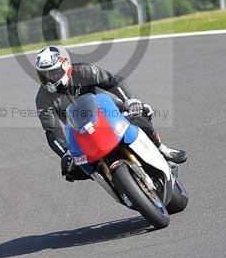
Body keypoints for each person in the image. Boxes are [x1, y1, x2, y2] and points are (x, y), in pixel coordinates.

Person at [34, 45, 187, 181]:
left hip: (108, 112)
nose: (48, 79)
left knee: (141, 112)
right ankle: (111, 181)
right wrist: (65, 153)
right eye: (44, 75)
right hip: (80, 132)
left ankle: (161, 148)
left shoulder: (84, 71)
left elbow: (112, 81)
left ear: (65, 65)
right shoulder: (42, 98)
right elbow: (51, 131)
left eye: (52, 73)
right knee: (72, 170)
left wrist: (130, 101)